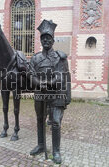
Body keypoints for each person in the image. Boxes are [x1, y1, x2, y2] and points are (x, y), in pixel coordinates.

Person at [29, 19, 71, 164]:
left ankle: (56, 151)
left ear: (53, 40)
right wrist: (40, 84)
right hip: (40, 95)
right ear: (41, 40)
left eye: (49, 38)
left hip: (56, 95)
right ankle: (41, 145)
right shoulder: (35, 58)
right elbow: (31, 75)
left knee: (56, 123)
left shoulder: (60, 58)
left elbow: (60, 77)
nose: (46, 40)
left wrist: (47, 83)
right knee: (40, 120)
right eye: (43, 38)